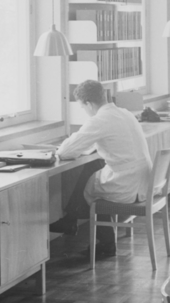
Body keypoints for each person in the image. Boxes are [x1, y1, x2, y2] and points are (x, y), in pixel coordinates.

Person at [48, 79, 152, 260]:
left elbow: (65, 152)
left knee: (94, 185)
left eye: (82, 107)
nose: (84, 110)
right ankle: (73, 220)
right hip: (144, 182)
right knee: (94, 168)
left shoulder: (100, 119)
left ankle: (77, 222)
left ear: (88, 103)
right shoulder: (124, 113)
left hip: (128, 185)